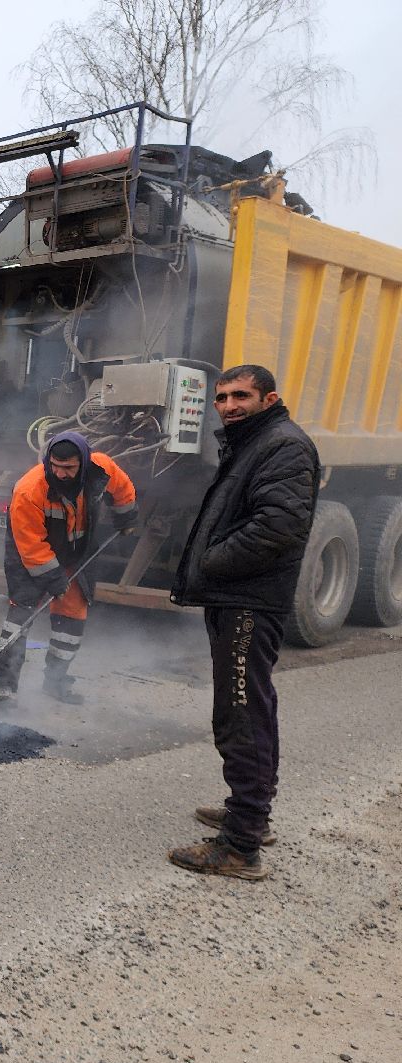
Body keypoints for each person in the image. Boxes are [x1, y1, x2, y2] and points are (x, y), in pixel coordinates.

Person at [168, 364, 318, 881]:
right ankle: (250, 813)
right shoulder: (253, 441)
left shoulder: (283, 445)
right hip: (239, 596)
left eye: (241, 396)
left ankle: (240, 845)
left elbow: (278, 526)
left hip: (249, 600)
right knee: (250, 704)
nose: (229, 405)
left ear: (268, 397)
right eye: (222, 397)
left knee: (241, 712)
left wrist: (210, 561)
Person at [0, 432, 137, 706]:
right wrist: (52, 578)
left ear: (83, 462)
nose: (60, 473)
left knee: (72, 618)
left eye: (68, 468)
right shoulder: (29, 489)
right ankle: (3, 689)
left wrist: (125, 515)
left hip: (76, 552)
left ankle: (55, 683)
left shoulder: (101, 468)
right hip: (29, 556)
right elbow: (32, 546)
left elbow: (123, 488)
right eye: (55, 466)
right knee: (20, 617)